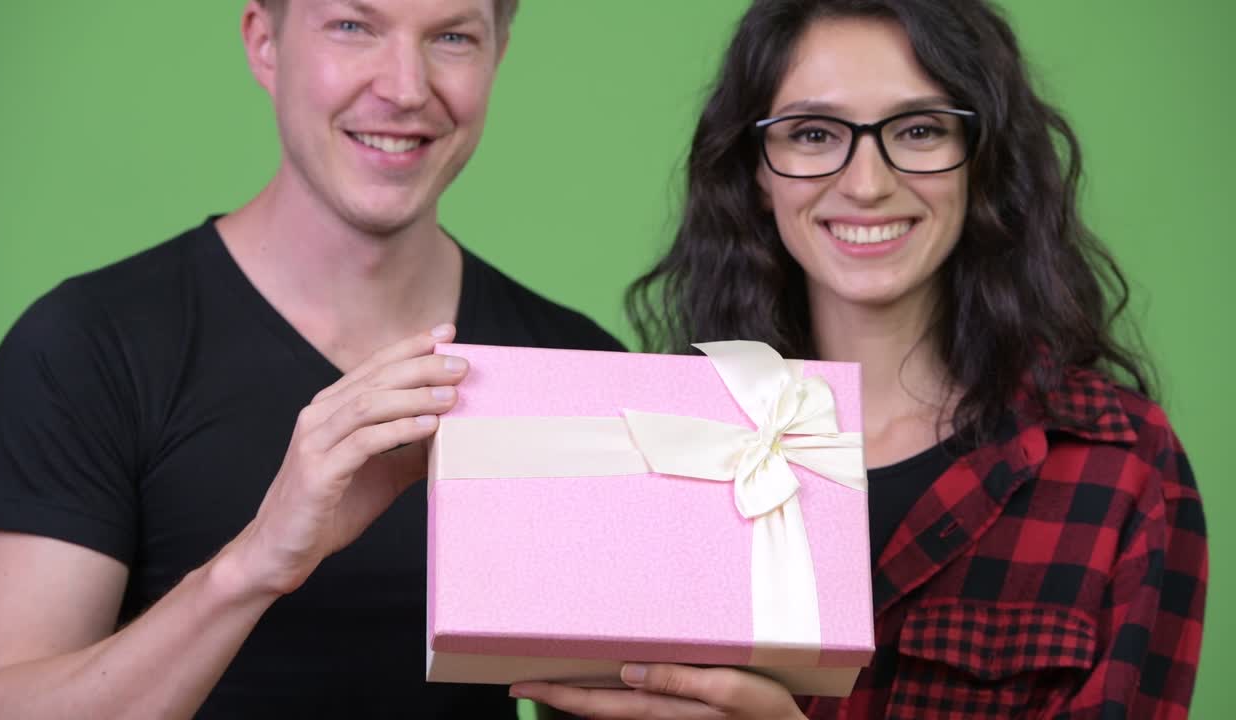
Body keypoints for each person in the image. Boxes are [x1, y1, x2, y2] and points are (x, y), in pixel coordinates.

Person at [511, 0, 1207, 717]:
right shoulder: (655, 459)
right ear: (756, 170)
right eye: (813, 133)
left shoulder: (1120, 466)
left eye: (918, 129)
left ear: (982, 159)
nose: (868, 184)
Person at [0, 1, 620, 717]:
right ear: (264, 42)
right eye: (353, 26)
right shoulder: (85, 348)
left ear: (499, 54)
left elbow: (592, 701)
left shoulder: (576, 369)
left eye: (453, 37)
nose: (404, 87)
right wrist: (255, 564)